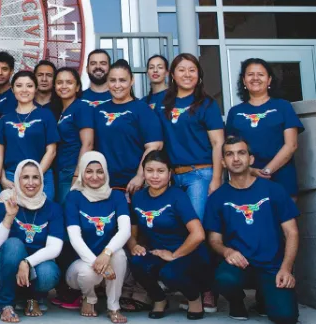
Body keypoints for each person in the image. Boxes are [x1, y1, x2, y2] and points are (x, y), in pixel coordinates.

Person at [205, 136, 299, 324]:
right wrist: (228, 251)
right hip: (241, 265)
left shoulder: (274, 190)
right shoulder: (217, 198)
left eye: (241, 153)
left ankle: (264, 300)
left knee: (286, 318)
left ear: (251, 159)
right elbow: (214, 240)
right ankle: (236, 302)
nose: (236, 159)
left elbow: (292, 233)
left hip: (272, 266)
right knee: (224, 278)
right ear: (223, 162)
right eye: (230, 154)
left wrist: (286, 268)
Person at [127, 150, 210, 320]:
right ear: (143, 172)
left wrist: (174, 255)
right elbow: (131, 231)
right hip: (158, 252)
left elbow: (198, 234)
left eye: (160, 171)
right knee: (137, 263)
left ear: (169, 173)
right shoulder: (138, 198)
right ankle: (159, 299)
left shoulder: (177, 196)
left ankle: (194, 298)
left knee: (170, 273)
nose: (155, 176)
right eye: (150, 171)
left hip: (188, 252)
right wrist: (133, 245)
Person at [0, 160, 64, 323]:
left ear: (42, 181)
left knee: (49, 272)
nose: (30, 182)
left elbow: (55, 248)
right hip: (6, 269)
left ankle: (31, 297)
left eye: (35, 177)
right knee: (13, 245)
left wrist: (26, 263)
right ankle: (6, 304)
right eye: (25, 177)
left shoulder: (53, 208)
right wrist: (9, 217)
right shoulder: (6, 204)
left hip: (36, 267)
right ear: (17, 180)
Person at [65, 151, 131, 324]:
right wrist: (97, 263)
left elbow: (125, 231)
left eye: (100, 171)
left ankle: (113, 306)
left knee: (120, 255)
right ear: (81, 173)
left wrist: (106, 253)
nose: (94, 176)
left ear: (106, 173)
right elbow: (74, 237)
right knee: (88, 273)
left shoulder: (116, 196)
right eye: (89, 171)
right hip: (80, 265)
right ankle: (89, 298)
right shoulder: (74, 197)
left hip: (107, 259)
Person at [157, 54, 225, 218]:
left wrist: (216, 179)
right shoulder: (163, 104)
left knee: (196, 226)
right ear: (172, 75)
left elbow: (218, 143)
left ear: (199, 75)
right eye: (181, 70)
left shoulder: (207, 104)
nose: (187, 74)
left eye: (192, 70)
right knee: (179, 226)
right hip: (172, 177)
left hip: (200, 175)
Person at [226, 58, 304, 199]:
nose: (255, 78)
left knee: (285, 220)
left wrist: (266, 171)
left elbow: (291, 145)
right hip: (246, 179)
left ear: (269, 80)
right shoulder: (235, 112)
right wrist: (250, 170)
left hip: (282, 177)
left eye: (261, 74)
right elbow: (230, 150)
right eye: (250, 74)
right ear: (243, 80)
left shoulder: (283, 107)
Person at [94, 59, 163, 194]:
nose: (117, 85)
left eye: (122, 80)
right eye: (113, 80)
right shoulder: (98, 111)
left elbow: (154, 146)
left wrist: (140, 176)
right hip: (103, 184)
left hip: (134, 184)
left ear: (132, 81)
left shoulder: (142, 109)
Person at [0, 71, 59, 201]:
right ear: (12, 89)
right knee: (13, 218)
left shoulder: (46, 115)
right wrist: (2, 179)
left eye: (29, 86)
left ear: (35, 89)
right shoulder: (5, 120)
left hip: (41, 176)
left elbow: (51, 151)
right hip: (11, 177)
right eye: (19, 86)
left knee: (42, 218)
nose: (24, 90)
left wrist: (34, 176)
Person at [51, 67, 93, 203]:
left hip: (72, 169)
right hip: (61, 169)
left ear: (77, 87)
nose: (63, 86)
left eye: (69, 82)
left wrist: (77, 174)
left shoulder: (81, 107)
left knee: (68, 213)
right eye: (59, 82)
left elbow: (88, 143)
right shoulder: (61, 110)